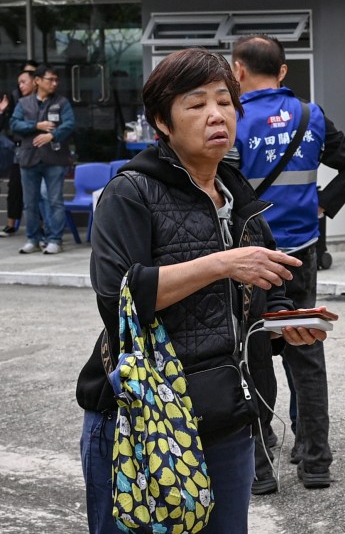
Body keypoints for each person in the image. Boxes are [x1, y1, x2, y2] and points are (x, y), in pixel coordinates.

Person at [75, 48, 327, 534]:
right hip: (144, 416)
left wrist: (284, 324)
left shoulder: (237, 194)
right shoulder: (129, 192)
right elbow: (117, 299)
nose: (216, 115)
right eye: (195, 105)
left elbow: (265, 286)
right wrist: (222, 264)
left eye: (225, 102)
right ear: (162, 122)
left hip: (228, 417)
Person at [229, 34, 345, 493]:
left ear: (238, 71)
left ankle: (261, 464)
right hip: (300, 252)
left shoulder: (234, 120)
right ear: (283, 71)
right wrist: (323, 205)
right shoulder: (311, 116)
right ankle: (315, 461)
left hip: (251, 256)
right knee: (305, 350)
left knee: (250, 352)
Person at [10, 65, 74, 254]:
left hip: (54, 158)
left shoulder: (61, 102)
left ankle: (55, 239)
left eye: (56, 80)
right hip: (29, 158)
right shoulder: (23, 103)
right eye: (50, 79)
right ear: (37, 81)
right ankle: (33, 239)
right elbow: (14, 124)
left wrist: (53, 135)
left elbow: (70, 124)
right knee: (30, 201)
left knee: (54, 200)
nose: (54, 83)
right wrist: (36, 125)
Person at [0, 62, 37, 236]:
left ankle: (40, 227)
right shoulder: (15, 97)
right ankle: (11, 223)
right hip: (20, 149)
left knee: (41, 193)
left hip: (40, 150)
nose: (22, 84)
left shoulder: (45, 100)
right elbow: (13, 125)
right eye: (21, 79)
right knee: (15, 187)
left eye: (29, 76)